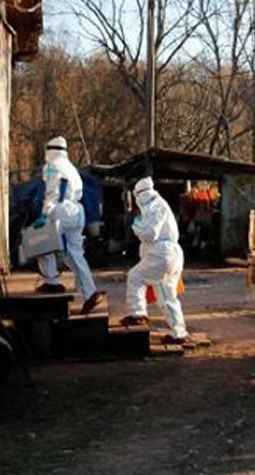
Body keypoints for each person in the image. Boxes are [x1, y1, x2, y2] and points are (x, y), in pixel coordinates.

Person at [33, 136, 105, 315]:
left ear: (49, 150)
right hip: (77, 212)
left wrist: (45, 214)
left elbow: (53, 193)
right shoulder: (71, 167)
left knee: (40, 240)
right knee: (74, 254)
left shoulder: (51, 166)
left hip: (61, 209)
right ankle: (90, 293)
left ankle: (52, 281)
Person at [120, 176, 189, 344]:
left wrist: (136, 225)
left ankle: (138, 313)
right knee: (166, 296)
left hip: (162, 254)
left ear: (139, 195)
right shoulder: (160, 204)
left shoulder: (153, 206)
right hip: (171, 254)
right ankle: (178, 332)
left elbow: (151, 234)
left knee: (135, 277)